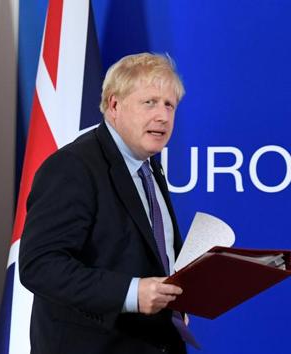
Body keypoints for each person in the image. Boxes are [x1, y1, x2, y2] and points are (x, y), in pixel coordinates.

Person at [19, 53, 191, 354]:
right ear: (114, 105)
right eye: (150, 102)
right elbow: (40, 266)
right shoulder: (73, 167)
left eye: (169, 105)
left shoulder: (149, 168)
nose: (163, 116)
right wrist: (133, 293)